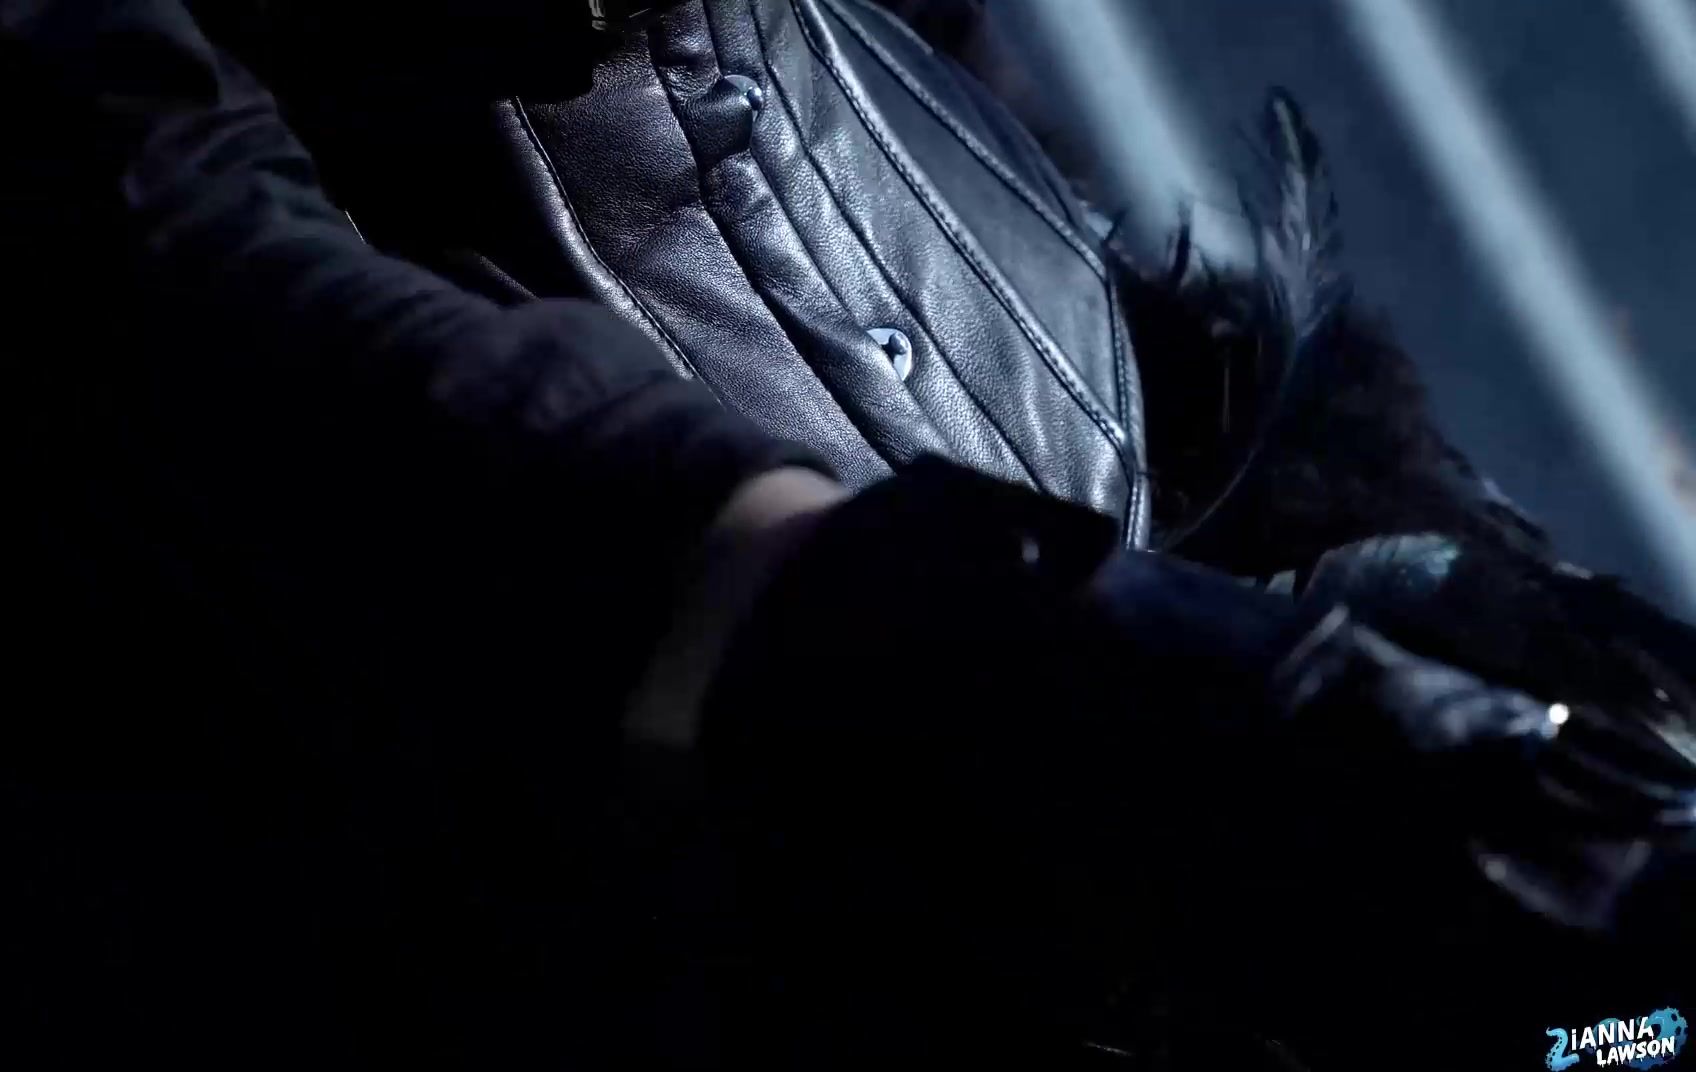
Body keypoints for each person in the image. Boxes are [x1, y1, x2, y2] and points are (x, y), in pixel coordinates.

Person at [4, 2, 1690, 1069]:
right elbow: (134, 233)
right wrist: (953, 659)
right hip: (500, 732)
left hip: (1097, 515)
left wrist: (1300, 481)